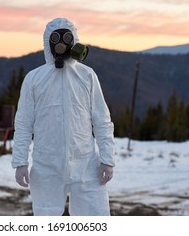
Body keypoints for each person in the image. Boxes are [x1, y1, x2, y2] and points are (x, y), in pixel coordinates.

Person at [11, 17, 115, 216]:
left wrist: (107, 159)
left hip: (86, 165)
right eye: (56, 38)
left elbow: (101, 120)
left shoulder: (87, 76)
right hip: (46, 166)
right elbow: (24, 123)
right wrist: (20, 162)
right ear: (47, 42)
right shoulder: (34, 79)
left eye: (67, 38)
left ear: (74, 41)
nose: (61, 43)